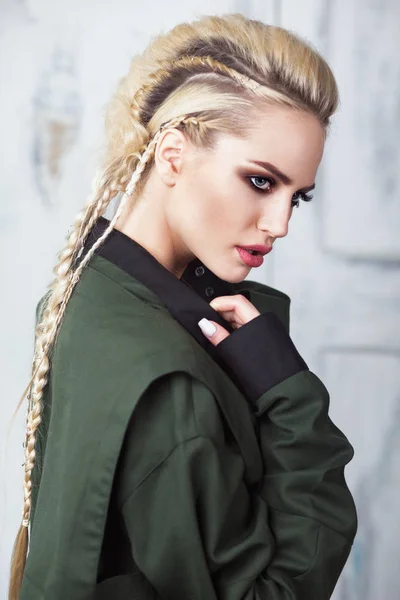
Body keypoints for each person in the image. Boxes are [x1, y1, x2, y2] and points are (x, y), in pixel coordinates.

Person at [9, 12, 357, 600]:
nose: (279, 224)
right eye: (260, 181)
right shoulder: (172, 387)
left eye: (298, 197)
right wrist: (290, 395)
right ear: (173, 154)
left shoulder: (88, 287)